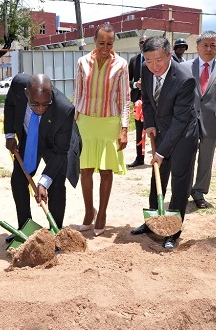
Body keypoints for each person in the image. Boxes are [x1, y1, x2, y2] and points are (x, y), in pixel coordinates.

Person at [130, 36, 198, 250]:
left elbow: (180, 121)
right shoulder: (145, 68)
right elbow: (147, 98)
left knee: (180, 180)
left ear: (170, 55)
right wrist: (149, 122)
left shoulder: (185, 79)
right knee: (157, 176)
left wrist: (161, 152)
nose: (154, 66)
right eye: (149, 61)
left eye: (159, 60)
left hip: (183, 133)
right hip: (160, 129)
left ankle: (173, 230)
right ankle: (153, 222)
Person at [3, 73, 77, 242]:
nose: (41, 109)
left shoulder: (64, 110)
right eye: (35, 104)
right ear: (26, 93)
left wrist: (44, 182)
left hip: (55, 142)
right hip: (30, 138)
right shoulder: (17, 85)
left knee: (56, 183)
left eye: (46, 104)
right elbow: (10, 104)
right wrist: (9, 133)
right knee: (18, 180)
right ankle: (25, 229)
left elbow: (60, 152)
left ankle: (55, 233)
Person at [73, 23, 130, 236]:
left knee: (106, 171)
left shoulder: (122, 65)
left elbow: (125, 98)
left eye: (109, 43)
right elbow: (77, 94)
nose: (105, 47)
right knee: (85, 170)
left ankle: (103, 213)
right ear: (94, 42)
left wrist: (124, 129)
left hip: (109, 122)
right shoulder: (81, 62)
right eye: (101, 43)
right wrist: (73, 121)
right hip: (85, 121)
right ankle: (89, 212)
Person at [181, 31, 216, 209]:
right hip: (187, 121)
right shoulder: (185, 67)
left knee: (206, 159)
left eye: (213, 45)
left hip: (213, 122)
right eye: (205, 45)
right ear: (197, 47)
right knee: (186, 157)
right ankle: (183, 190)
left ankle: (199, 192)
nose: (209, 49)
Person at [127, 34, 148, 168]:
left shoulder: (155, 59)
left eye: (146, 42)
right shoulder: (134, 61)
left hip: (152, 101)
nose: (143, 44)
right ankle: (140, 158)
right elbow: (127, 80)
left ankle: (159, 157)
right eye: (141, 42)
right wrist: (136, 85)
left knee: (155, 129)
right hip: (137, 101)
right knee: (139, 131)